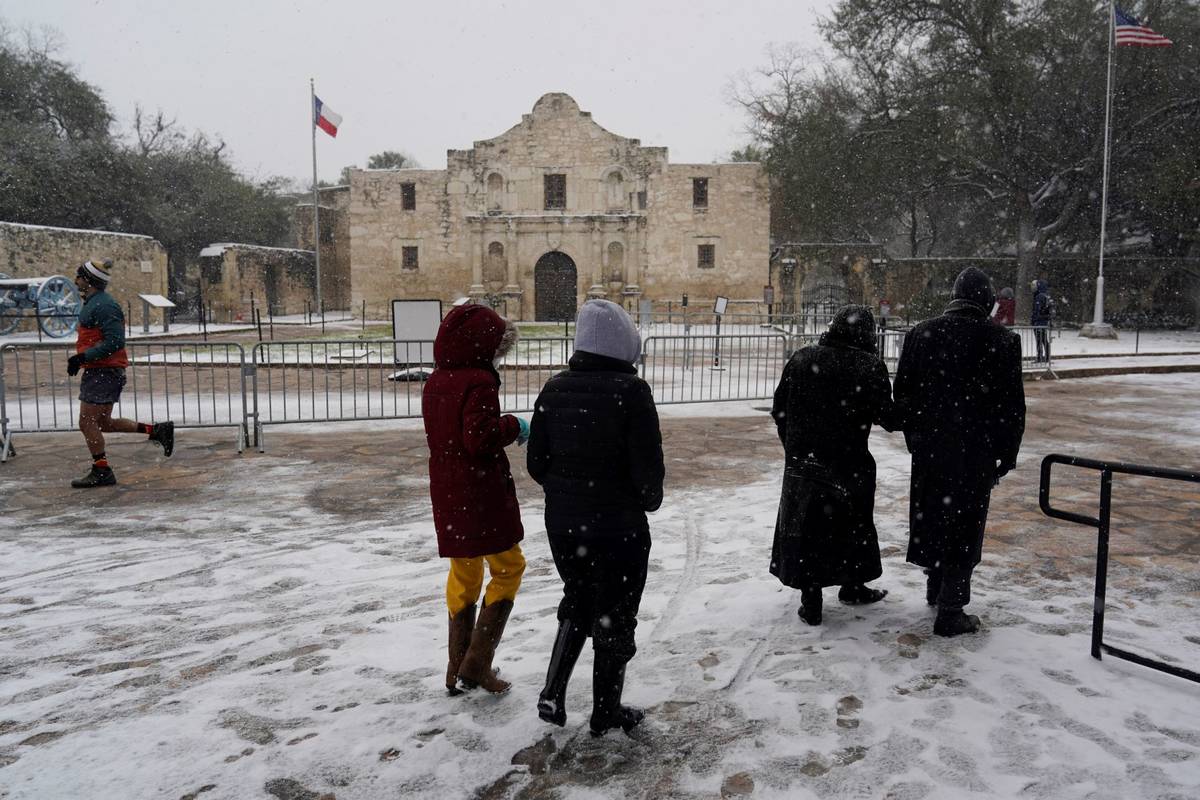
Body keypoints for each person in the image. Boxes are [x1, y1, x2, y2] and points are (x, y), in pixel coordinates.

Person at [527, 299, 664, 737]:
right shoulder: (632, 393)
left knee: (579, 598)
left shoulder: (554, 388)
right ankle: (606, 710)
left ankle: (554, 688)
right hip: (618, 528)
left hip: (565, 526)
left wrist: (565, 492)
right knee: (616, 613)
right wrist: (643, 498)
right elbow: (648, 471)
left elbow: (536, 461)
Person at [893, 267, 1025, 637]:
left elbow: (903, 395)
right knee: (966, 525)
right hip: (975, 453)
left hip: (932, 450)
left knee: (932, 517)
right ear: (986, 300)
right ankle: (951, 609)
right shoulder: (1002, 340)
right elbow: (1011, 406)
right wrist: (1007, 453)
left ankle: (936, 586)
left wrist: (916, 438)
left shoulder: (921, 333)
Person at [769, 305, 901, 626]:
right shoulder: (869, 366)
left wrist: (796, 449)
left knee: (808, 528)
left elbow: (779, 409)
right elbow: (889, 417)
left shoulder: (802, 359)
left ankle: (810, 599)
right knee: (851, 524)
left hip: (805, 465)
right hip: (849, 464)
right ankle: (853, 584)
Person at [422, 303, 527, 695]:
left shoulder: (437, 380)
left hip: (449, 490)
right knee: (509, 566)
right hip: (479, 492)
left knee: (464, 574)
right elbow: (479, 438)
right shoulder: (479, 381)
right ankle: (477, 664)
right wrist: (515, 425)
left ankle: (456, 667)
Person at [68, 259, 173, 488]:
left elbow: (115, 341)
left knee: (86, 422)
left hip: (103, 371)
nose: (75, 281)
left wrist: (82, 357)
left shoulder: (104, 306)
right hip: (101, 370)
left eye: (79, 276)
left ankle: (102, 470)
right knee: (103, 422)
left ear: (89, 280)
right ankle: (156, 431)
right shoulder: (95, 303)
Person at [1031, 279, 1052, 362]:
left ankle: (1040, 357)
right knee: (1044, 340)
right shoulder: (1045, 295)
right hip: (1043, 322)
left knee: (1039, 340)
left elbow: (1037, 310)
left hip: (1039, 322)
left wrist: (1034, 320)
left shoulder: (1039, 296)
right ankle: (1047, 356)